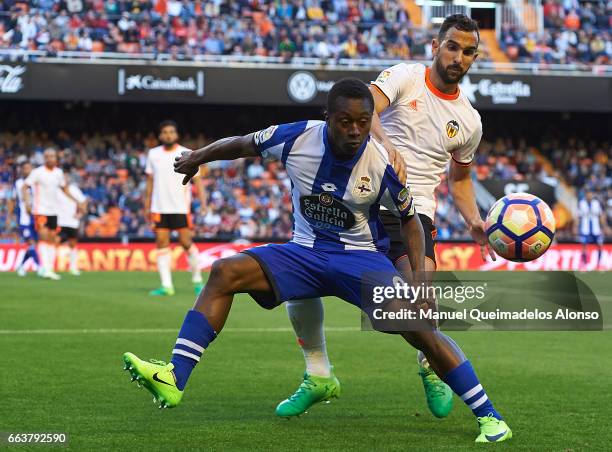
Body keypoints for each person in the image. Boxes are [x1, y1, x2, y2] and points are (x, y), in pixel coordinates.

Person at [122, 79, 512, 443]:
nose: (356, 131)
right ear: (329, 119)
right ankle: (174, 377)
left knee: (419, 327)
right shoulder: (295, 137)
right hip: (304, 253)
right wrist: (199, 157)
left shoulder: (380, 164)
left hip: (359, 259)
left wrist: (421, 288)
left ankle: (490, 417)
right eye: (346, 122)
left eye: (363, 122)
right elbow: (242, 144)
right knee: (224, 271)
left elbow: (411, 223)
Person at [279, 14, 496, 420]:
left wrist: (473, 221)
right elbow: (366, 109)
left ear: (473, 58)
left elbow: (460, 179)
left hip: (414, 216)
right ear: (435, 46)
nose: (458, 57)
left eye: (468, 51)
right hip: (359, 201)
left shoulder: (469, 120)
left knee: (421, 303)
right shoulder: (404, 77)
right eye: (452, 46)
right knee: (301, 280)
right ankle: (318, 374)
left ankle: (431, 368)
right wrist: (383, 145)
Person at [144, 120, 207, 296]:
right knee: (161, 244)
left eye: (171, 132)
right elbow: (149, 182)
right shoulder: (153, 154)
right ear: (160, 135)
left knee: (186, 243)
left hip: (180, 207)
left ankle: (197, 281)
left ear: (176, 135)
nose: (168, 135)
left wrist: (203, 203)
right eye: (165, 132)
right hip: (159, 207)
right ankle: (166, 285)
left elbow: (198, 181)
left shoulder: (186, 153)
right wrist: (147, 205)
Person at [22, 149, 82, 280]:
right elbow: (25, 186)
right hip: (40, 210)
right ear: (44, 158)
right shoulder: (37, 172)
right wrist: (27, 203)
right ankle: (46, 268)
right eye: (47, 156)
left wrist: (76, 201)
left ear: (56, 158)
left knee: (51, 240)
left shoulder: (58, 173)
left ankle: (48, 267)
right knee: (43, 238)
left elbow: (64, 189)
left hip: (54, 212)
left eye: (52, 156)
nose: (50, 159)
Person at [6, 161, 40, 276]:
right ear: (22, 170)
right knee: (30, 242)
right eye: (25, 168)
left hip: (36, 217)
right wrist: (9, 217)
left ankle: (20, 265)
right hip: (24, 219)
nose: (27, 170)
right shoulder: (18, 183)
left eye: (29, 168)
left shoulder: (37, 183)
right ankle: (40, 267)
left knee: (33, 244)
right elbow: (12, 200)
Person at [57, 171, 87, 276]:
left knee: (73, 244)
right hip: (59, 221)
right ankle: (49, 266)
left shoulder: (74, 189)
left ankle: (73, 267)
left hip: (72, 222)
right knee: (55, 243)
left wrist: (80, 214)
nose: (65, 179)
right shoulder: (56, 190)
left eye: (66, 178)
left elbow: (84, 201)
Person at [577, 190, 605, 269]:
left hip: (596, 229)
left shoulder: (596, 203)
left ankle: (599, 264)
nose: (589, 196)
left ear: (592, 195)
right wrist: (576, 228)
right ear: (586, 195)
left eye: (590, 194)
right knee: (584, 246)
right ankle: (584, 264)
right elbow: (578, 217)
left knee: (600, 245)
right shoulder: (581, 203)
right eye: (588, 194)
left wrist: (603, 227)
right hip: (585, 229)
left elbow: (600, 216)